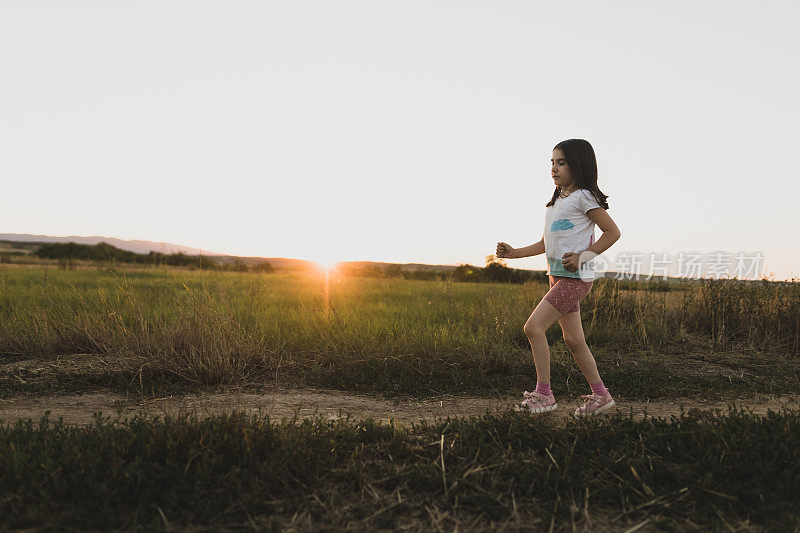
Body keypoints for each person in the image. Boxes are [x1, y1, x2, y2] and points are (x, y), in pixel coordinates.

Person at [496, 139, 621, 416]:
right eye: (552, 162)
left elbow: (612, 232)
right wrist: (514, 253)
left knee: (533, 328)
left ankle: (544, 395)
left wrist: (584, 256)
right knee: (574, 340)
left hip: (574, 280)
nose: (554, 168)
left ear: (579, 165)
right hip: (557, 278)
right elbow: (546, 244)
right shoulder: (557, 202)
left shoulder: (585, 197)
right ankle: (602, 396)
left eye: (561, 163)